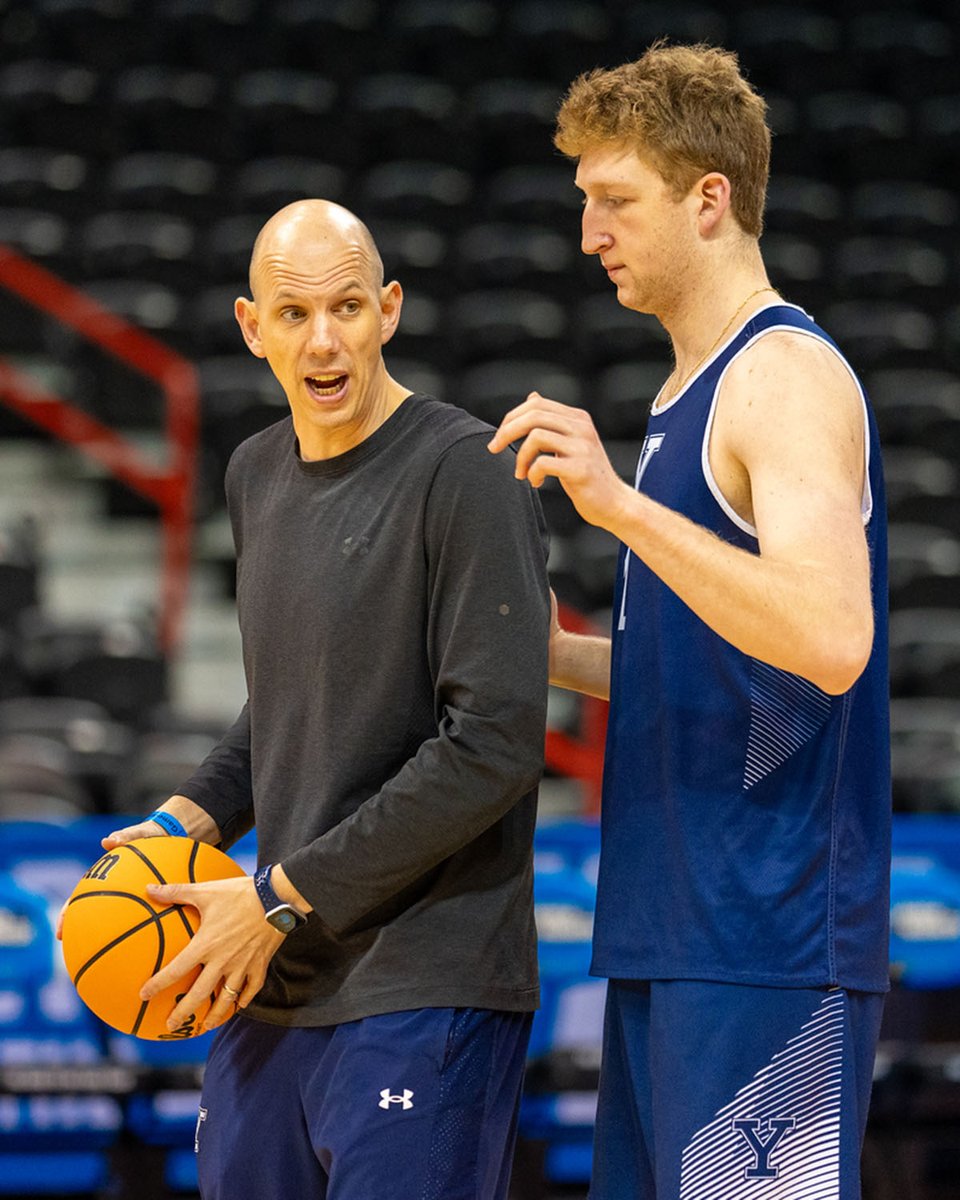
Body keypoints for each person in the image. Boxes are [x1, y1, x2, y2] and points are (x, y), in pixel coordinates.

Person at [70, 199, 551, 1198]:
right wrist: (180, 818)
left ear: (390, 310)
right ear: (254, 327)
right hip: (274, 975)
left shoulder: (468, 473)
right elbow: (289, 700)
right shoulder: (254, 473)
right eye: (294, 315)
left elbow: (493, 745)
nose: (324, 341)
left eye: (346, 308)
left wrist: (280, 894)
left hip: (426, 978)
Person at [488, 42, 890, 1200]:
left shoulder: (784, 378)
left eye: (615, 201)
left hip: (768, 943)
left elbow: (827, 636)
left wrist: (611, 506)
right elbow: (712, 656)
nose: (588, 234)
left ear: (709, 201)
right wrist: (547, 655)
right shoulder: (684, 392)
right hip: (679, 929)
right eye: (583, 204)